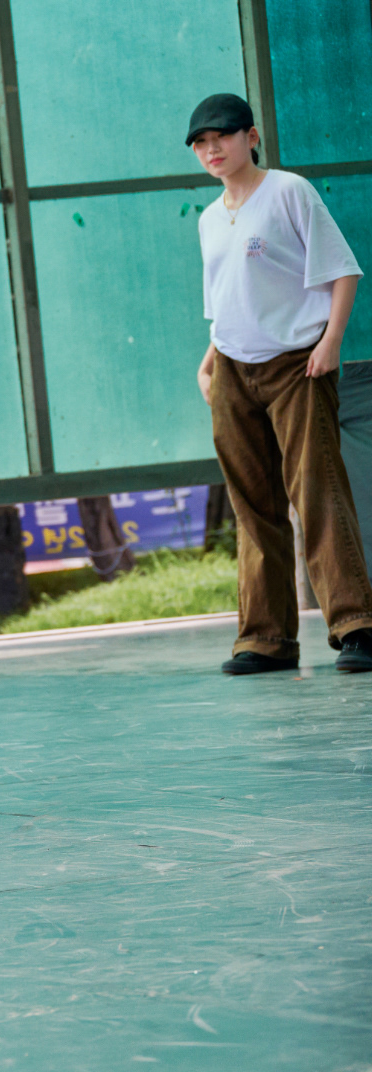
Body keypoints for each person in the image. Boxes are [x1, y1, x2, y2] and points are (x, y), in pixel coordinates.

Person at [188, 93, 372, 674]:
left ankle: (357, 625)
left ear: (251, 137)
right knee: (252, 505)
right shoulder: (209, 218)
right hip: (231, 370)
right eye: (200, 143)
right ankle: (265, 639)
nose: (212, 149)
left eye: (222, 136)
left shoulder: (289, 191)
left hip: (297, 364)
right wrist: (209, 363)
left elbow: (343, 271)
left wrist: (330, 342)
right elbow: (227, 300)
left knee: (317, 492)